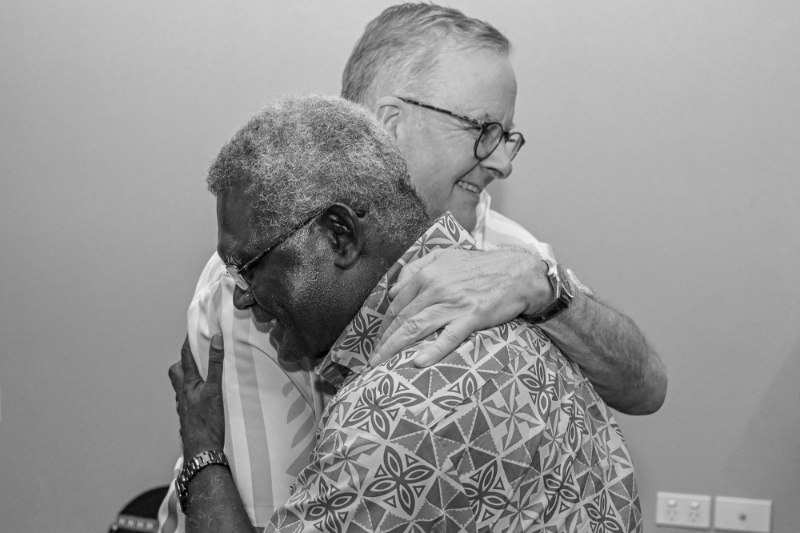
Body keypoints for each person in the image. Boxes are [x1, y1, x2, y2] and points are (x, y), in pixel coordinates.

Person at [157, 4, 665, 532]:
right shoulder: (258, 282)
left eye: (508, 136)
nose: (503, 161)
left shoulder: (509, 252)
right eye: (484, 129)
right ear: (388, 124)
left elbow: (646, 388)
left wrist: (546, 286)